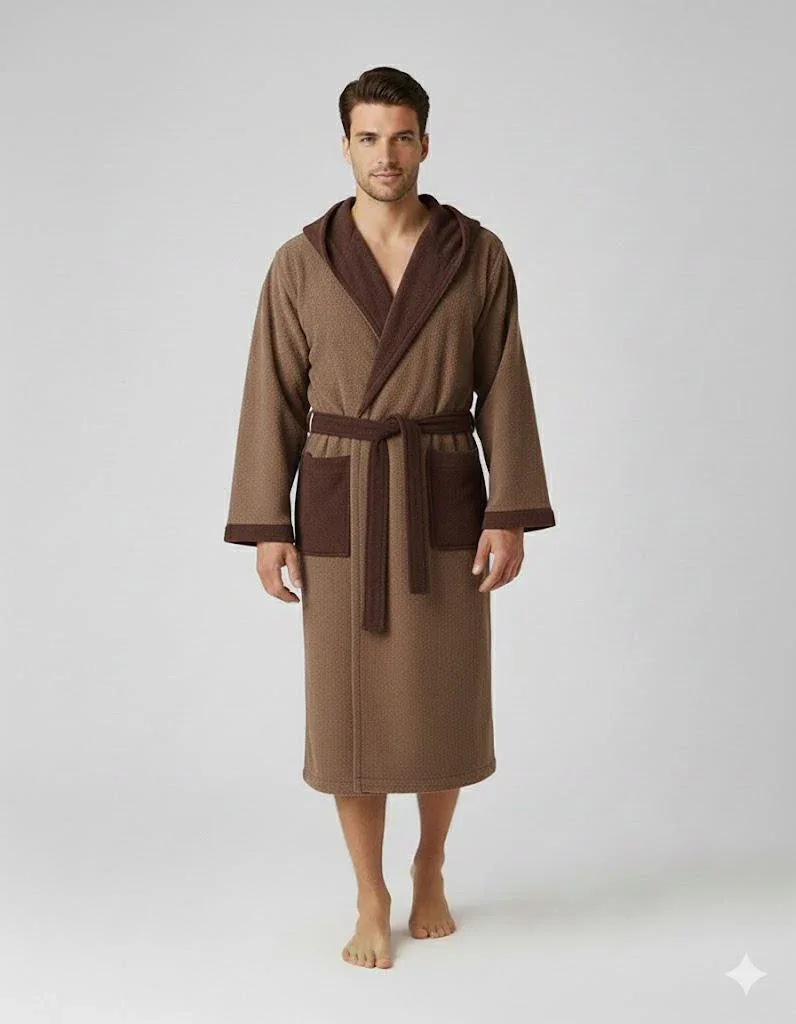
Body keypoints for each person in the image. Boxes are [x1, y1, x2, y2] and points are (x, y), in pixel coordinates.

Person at [223, 66, 556, 969]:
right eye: (369, 138)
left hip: (441, 495)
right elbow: (271, 396)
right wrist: (269, 524)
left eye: (402, 137)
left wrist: (508, 509)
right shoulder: (301, 262)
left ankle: (431, 862)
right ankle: (370, 892)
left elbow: (506, 383)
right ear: (345, 146)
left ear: (425, 144)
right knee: (349, 716)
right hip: (344, 504)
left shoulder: (476, 253)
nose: (386, 154)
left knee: (441, 699)